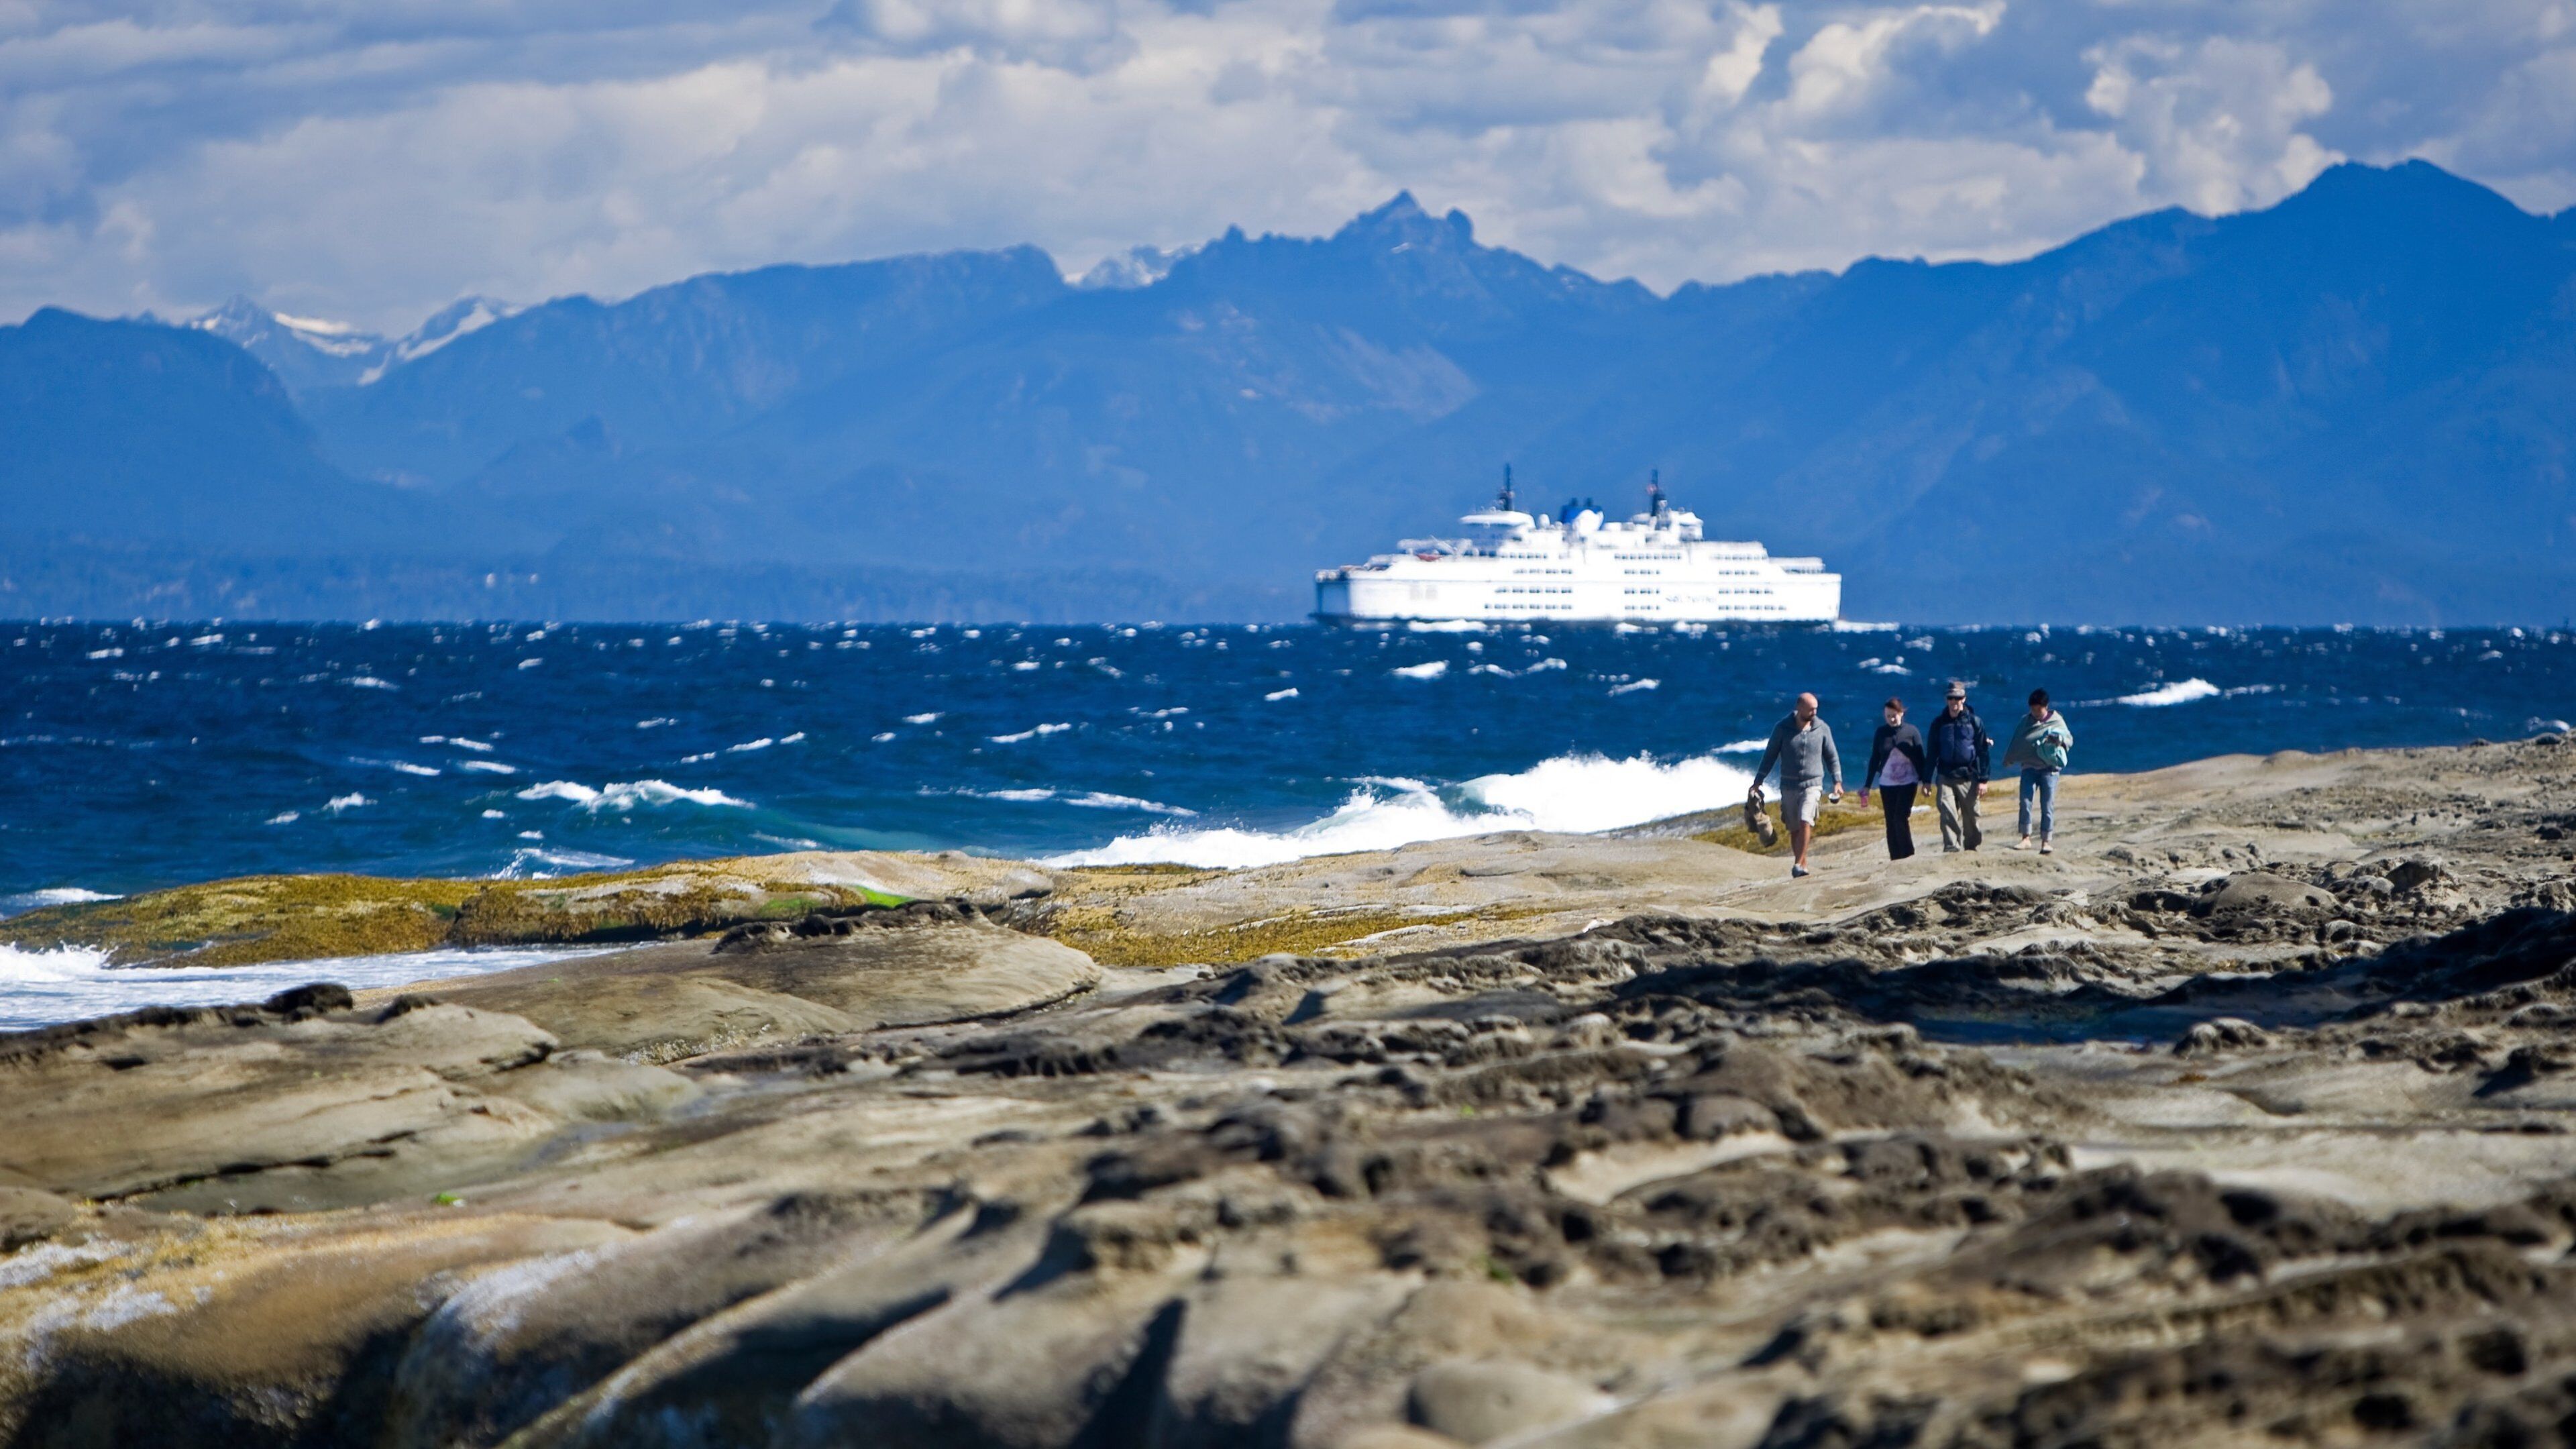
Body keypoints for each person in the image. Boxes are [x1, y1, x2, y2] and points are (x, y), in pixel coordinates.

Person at [1750, 692, 1842, 877]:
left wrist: (1837, 781)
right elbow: (1770, 755)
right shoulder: (1782, 728)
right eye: (1811, 709)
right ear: (1799, 708)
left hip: (1813, 784)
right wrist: (1758, 781)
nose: (1814, 712)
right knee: (1794, 828)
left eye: (1816, 708)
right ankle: (1802, 864)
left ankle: (1799, 863)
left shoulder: (1822, 728)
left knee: (1805, 820)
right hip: (1789, 785)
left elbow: (1832, 757)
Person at [2002, 688, 2074, 853]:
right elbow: (2017, 741)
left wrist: (2059, 740)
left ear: (2046, 706)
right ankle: (2025, 838)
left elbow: (2069, 740)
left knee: (2047, 805)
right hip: (2029, 768)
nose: (2035, 713)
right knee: (2025, 802)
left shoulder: (2056, 720)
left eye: (2038, 710)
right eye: (2032, 709)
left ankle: (2046, 841)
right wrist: (2010, 758)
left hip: (2050, 770)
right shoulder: (2025, 722)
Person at [1861, 696, 1930, 861]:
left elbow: (1921, 758)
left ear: (1902, 713)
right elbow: (1875, 758)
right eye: (1888, 716)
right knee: (1891, 822)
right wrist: (1867, 786)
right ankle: (1895, 858)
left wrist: (1926, 782)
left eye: (1895, 715)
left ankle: (1908, 854)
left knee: (1900, 817)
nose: (1892, 719)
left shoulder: (1912, 732)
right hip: (1887, 784)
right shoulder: (1881, 733)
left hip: (1908, 782)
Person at [1927, 681, 1992, 852]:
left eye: (1958, 698)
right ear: (1946, 699)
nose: (1954, 702)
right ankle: (1952, 847)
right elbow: (1932, 752)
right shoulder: (1939, 724)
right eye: (1951, 698)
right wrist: (1926, 780)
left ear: (1964, 699)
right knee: (1947, 814)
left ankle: (1971, 846)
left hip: (1968, 776)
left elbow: (1983, 752)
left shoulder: (1975, 722)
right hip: (1945, 775)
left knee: (1972, 816)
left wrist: (1983, 780)